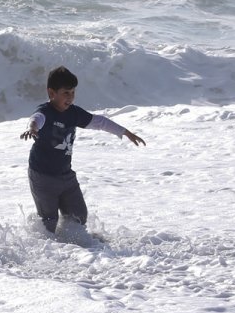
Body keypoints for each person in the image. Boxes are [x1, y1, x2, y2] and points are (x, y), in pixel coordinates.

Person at [21, 66, 145, 234]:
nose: (70, 98)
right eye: (66, 93)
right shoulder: (45, 112)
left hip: (66, 175)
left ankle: (74, 246)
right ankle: (46, 249)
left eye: (73, 93)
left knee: (78, 217)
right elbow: (36, 119)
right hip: (43, 177)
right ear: (51, 93)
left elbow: (100, 122)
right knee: (48, 222)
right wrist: (32, 128)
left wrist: (125, 132)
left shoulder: (73, 113)